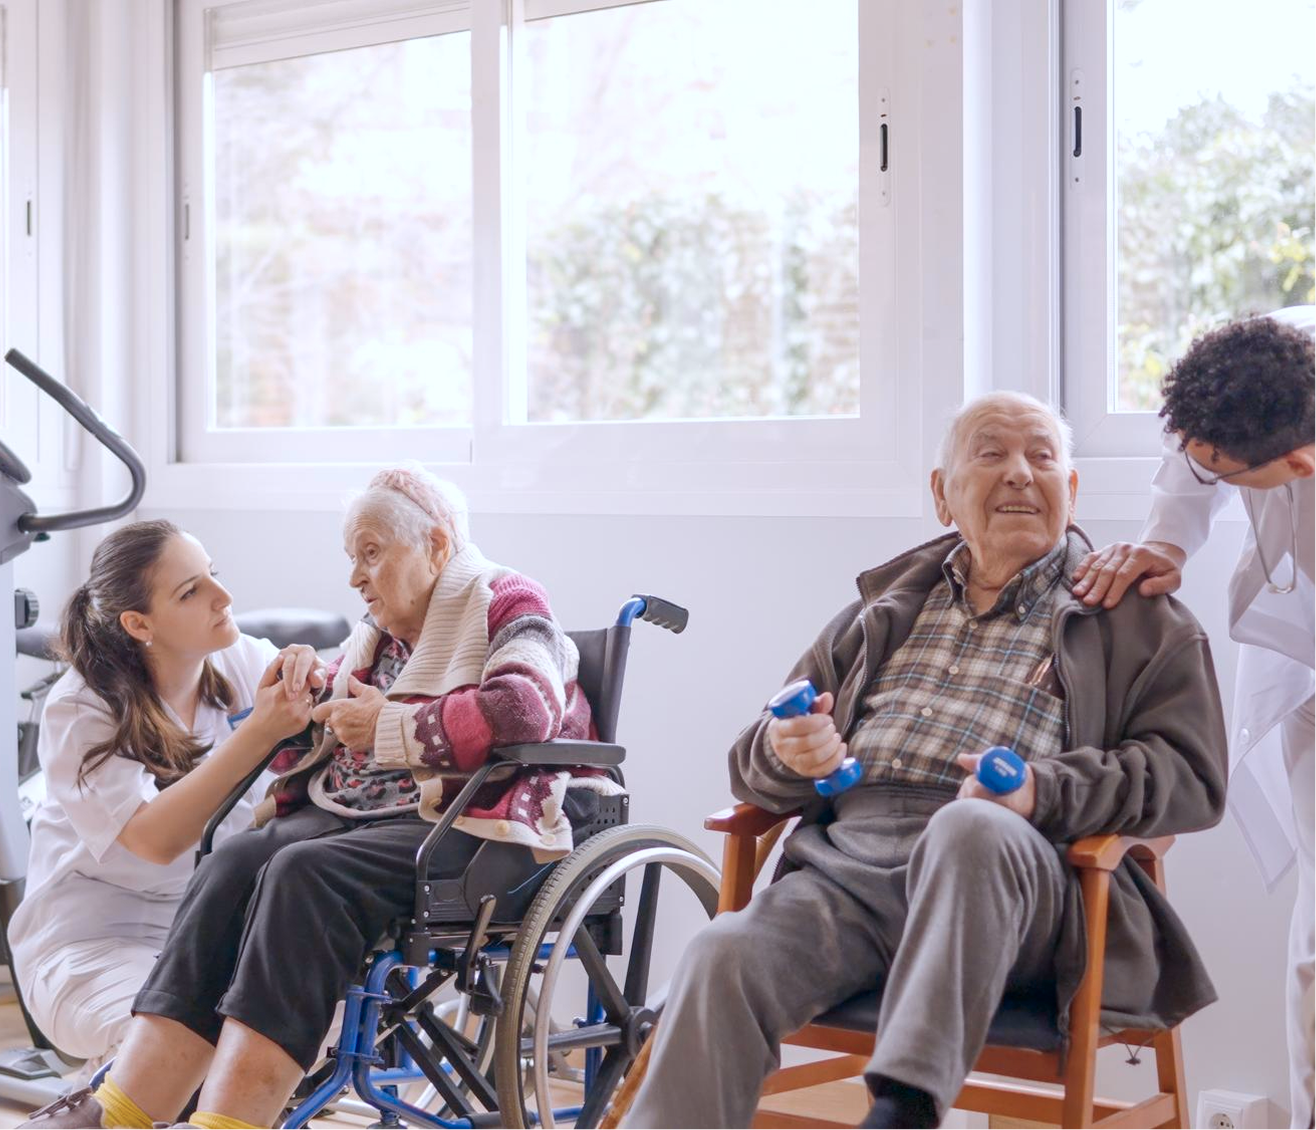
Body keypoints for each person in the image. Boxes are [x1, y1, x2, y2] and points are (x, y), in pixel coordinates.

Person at [626, 392, 1228, 1130]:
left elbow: (1192, 779)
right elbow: (755, 765)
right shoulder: (880, 612)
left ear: (1070, 492)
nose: (1017, 474)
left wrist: (1043, 791)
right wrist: (791, 754)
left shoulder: (1137, 618)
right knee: (723, 953)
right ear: (942, 495)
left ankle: (903, 1111)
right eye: (989, 454)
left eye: (1041, 457)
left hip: (1023, 881)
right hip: (848, 880)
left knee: (969, 827)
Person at [25, 465, 605, 1130]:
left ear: (438, 547)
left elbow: (524, 710)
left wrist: (388, 725)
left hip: (491, 828)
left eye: (371, 553)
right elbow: (329, 699)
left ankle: (226, 1123)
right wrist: (310, 680)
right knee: (237, 859)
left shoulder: (506, 601)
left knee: (303, 873)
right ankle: (118, 1113)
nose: (356, 577)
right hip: (382, 824)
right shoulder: (383, 636)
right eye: (352, 557)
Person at [1071, 306, 1316, 1130]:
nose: (1202, 475)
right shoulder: (1259, 371)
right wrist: (1167, 543)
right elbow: (1187, 467)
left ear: (1299, 460)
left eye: (1226, 476)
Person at [8, 520, 322, 1071]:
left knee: (302, 1037)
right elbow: (155, 840)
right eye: (191, 591)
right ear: (138, 623)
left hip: (210, 930)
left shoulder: (241, 661)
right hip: (92, 941)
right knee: (169, 1047)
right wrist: (258, 734)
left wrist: (318, 679)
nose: (223, 597)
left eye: (213, 576)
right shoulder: (80, 707)